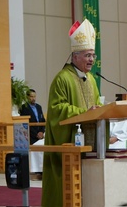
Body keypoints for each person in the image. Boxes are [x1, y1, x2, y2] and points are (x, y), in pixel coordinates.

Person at [41, 19, 102, 206]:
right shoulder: (62, 79)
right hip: (68, 146)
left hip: (90, 147)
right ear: (75, 56)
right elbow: (56, 109)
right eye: (87, 55)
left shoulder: (91, 79)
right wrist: (84, 112)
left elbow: (98, 105)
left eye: (93, 55)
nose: (92, 59)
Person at [19, 89, 46, 181]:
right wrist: (36, 134)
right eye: (31, 96)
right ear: (27, 97)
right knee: (36, 149)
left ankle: (43, 170)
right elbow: (25, 123)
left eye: (34, 96)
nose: (33, 98)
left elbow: (43, 121)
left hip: (41, 135)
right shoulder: (24, 108)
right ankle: (37, 171)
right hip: (31, 136)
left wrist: (42, 132)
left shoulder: (39, 107)